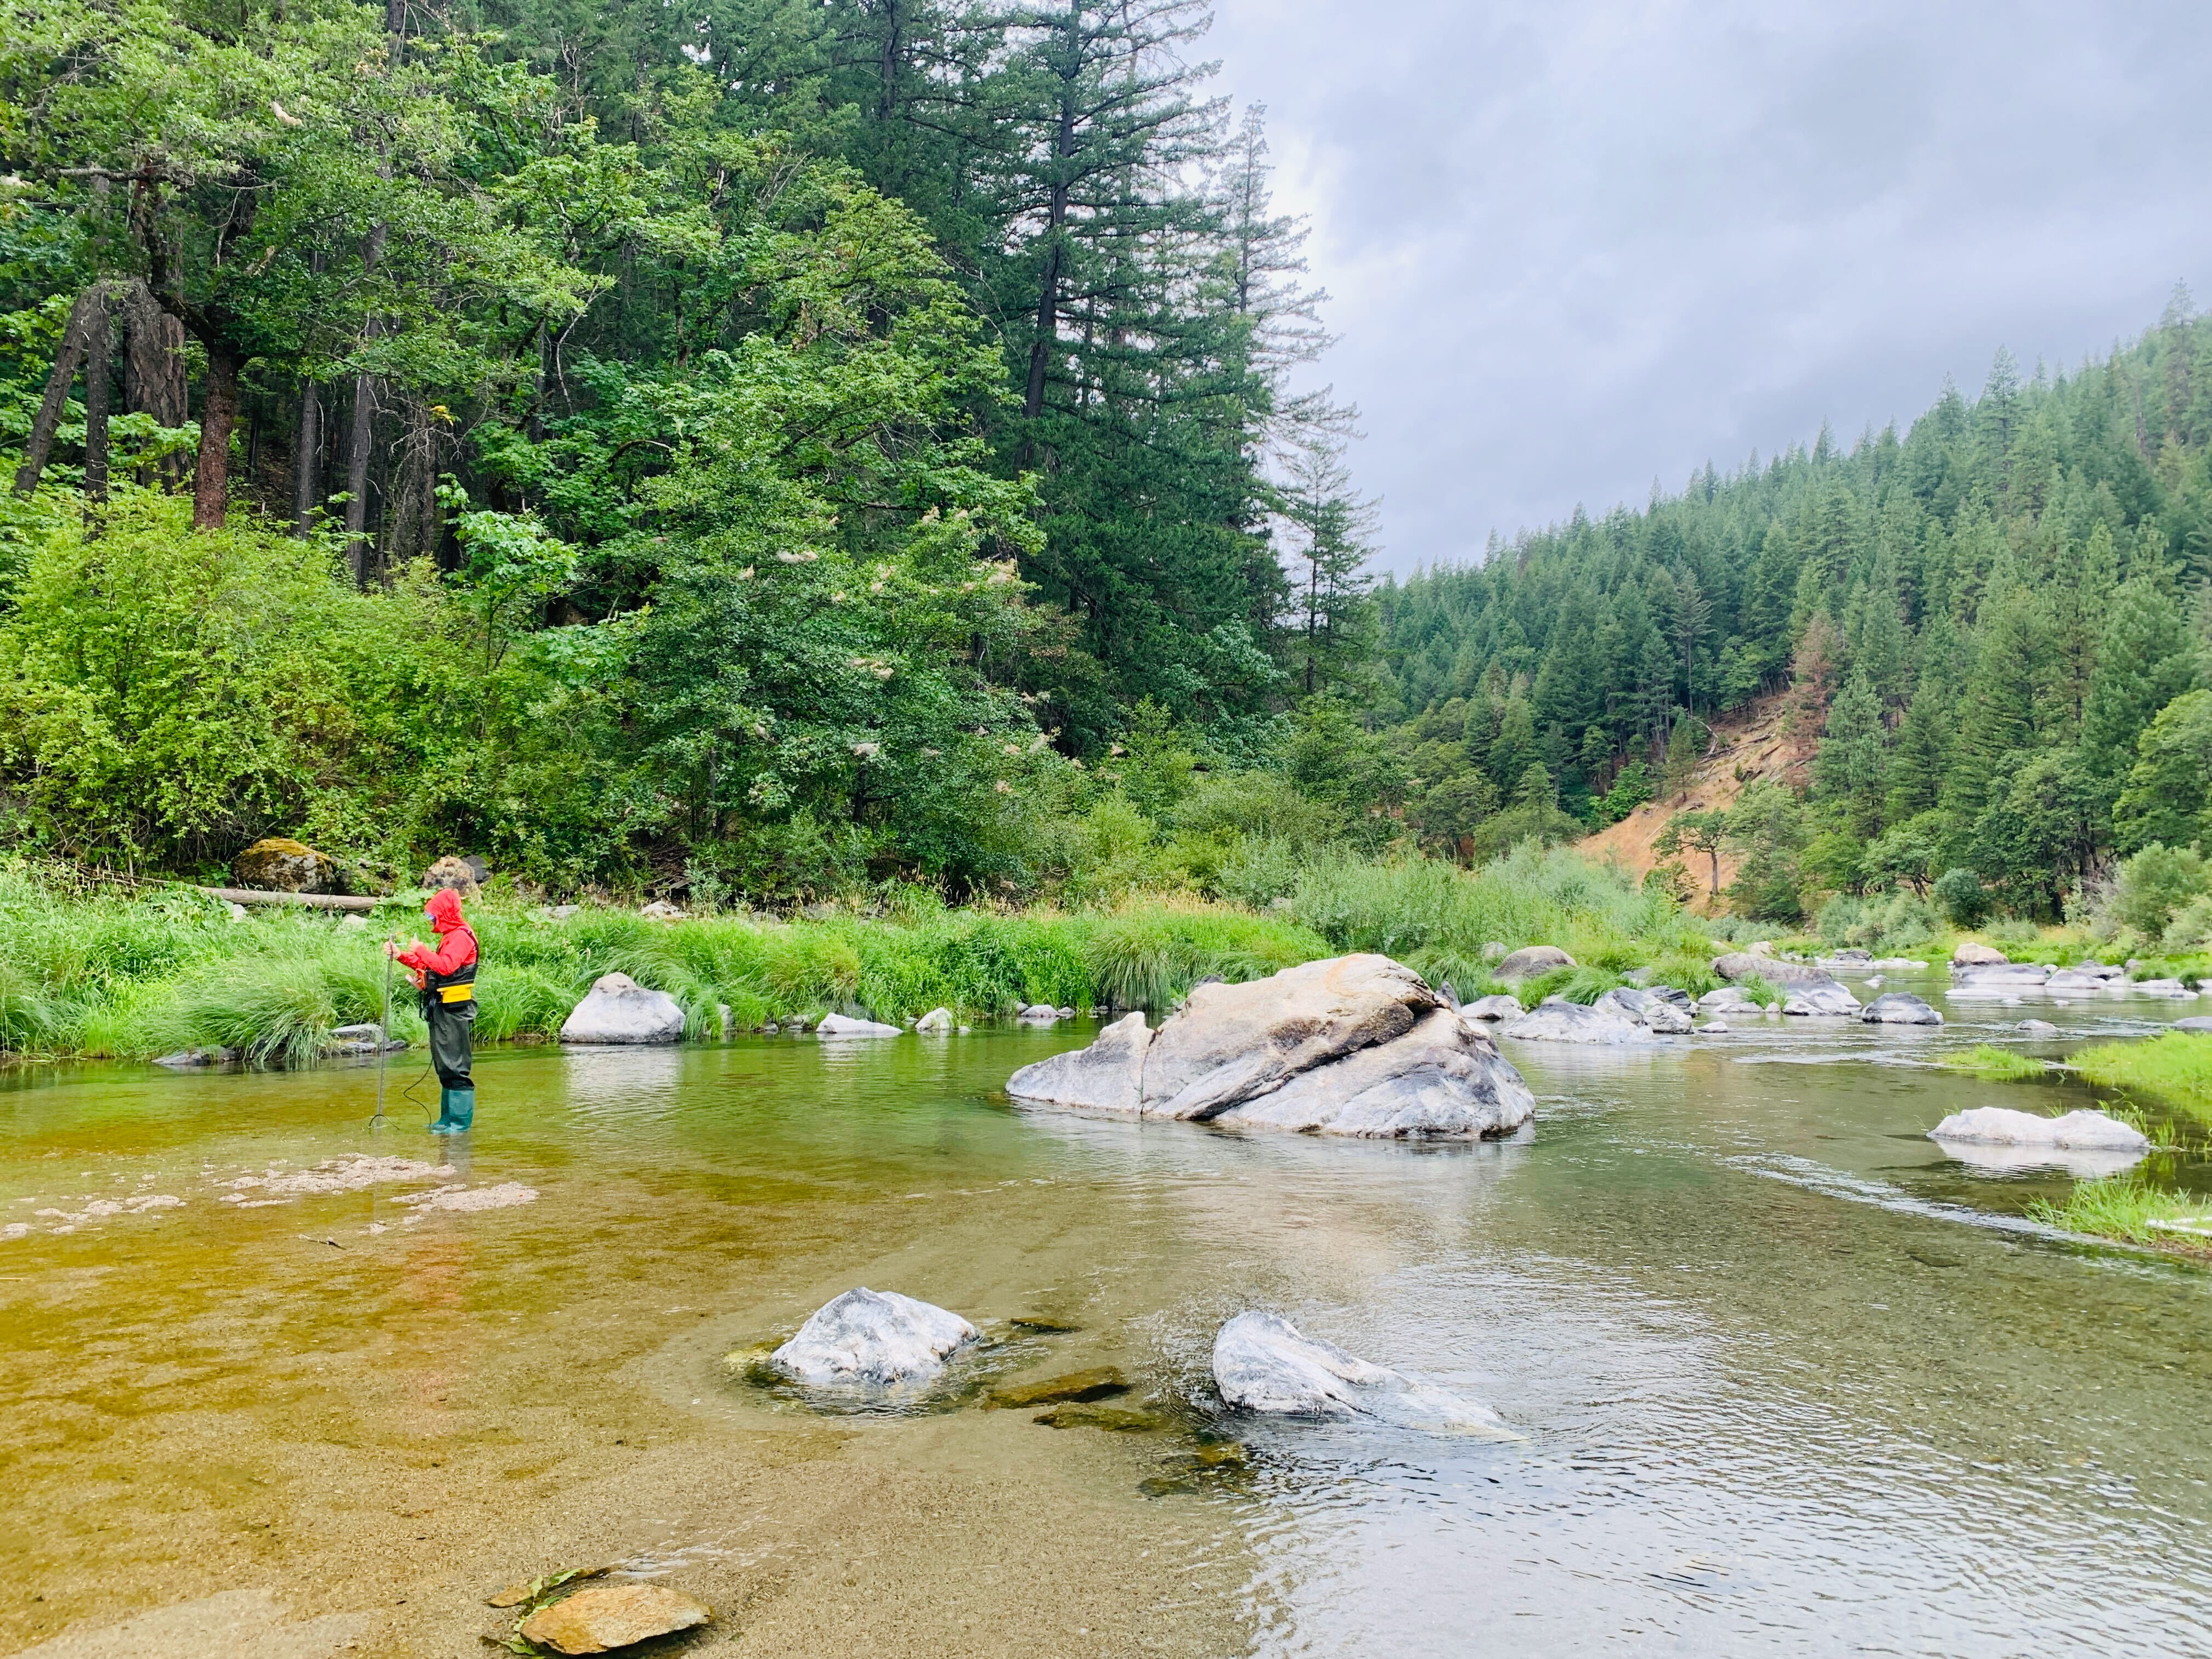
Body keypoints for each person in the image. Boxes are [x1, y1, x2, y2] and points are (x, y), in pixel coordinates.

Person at [387, 887, 478, 1133]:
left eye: (433, 915)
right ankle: (446, 1121)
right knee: (444, 1065)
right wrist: (401, 956)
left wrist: (419, 948)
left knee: (456, 1067)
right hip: (441, 1007)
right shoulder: (449, 936)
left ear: (445, 913)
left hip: (456, 1010)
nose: (431, 921)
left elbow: (446, 966)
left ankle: (459, 1125)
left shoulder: (461, 936)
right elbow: (432, 967)